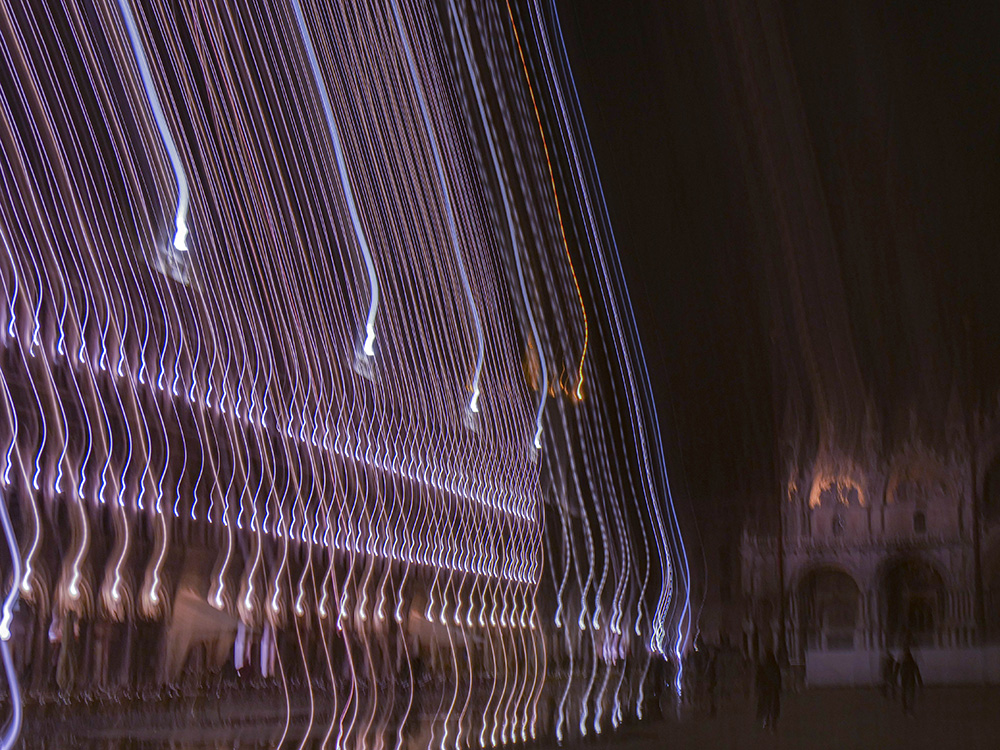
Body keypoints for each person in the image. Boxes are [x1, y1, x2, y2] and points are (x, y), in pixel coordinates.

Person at [755, 648, 781, 732]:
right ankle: (771, 723)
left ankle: (766, 722)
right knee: (772, 706)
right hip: (772, 689)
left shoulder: (762, 666)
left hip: (765, 689)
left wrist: (758, 687)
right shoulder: (774, 666)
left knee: (766, 705)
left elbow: (758, 678)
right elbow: (778, 678)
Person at [898, 647, 922, 715]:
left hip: (905, 681)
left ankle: (905, 708)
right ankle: (909, 709)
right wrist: (920, 683)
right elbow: (917, 673)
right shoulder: (912, 663)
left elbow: (899, 672)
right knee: (910, 696)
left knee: (905, 695)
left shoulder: (902, 663)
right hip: (910, 681)